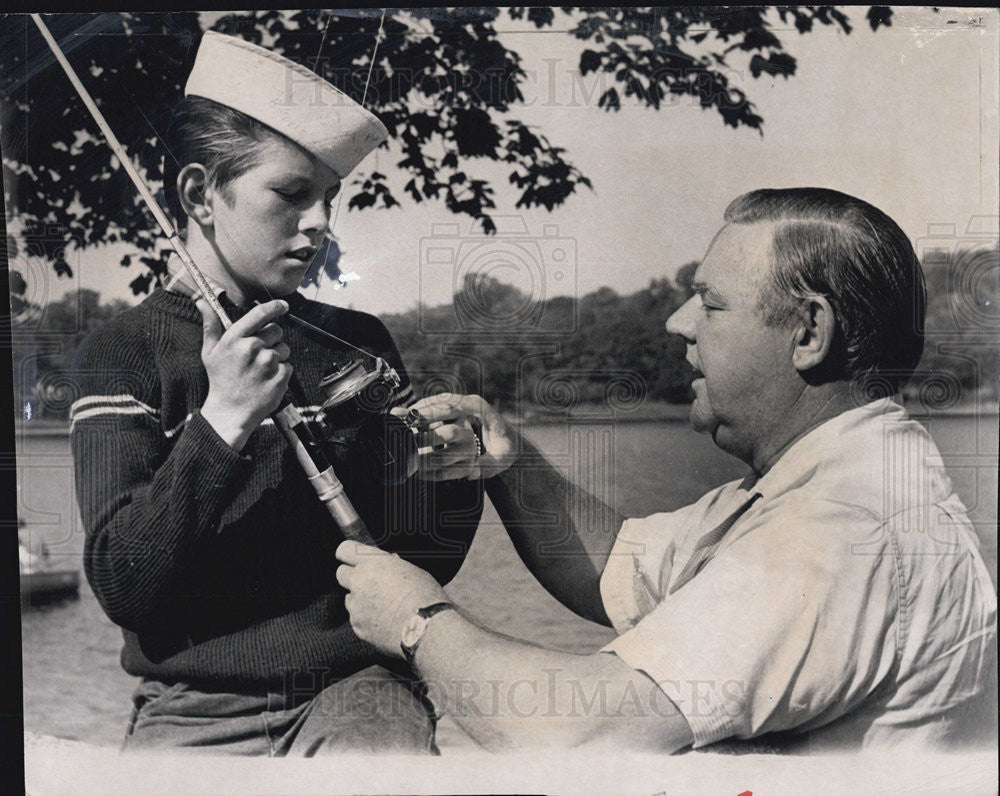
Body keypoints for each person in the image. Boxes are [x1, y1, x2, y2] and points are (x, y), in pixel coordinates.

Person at [337, 187, 997, 753]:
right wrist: (510, 465)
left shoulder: (839, 529)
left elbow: (573, 736)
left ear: (808, 334)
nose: (677, 321)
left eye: (710, 304)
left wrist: (417, 621)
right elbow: (622, 568)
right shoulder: (832, 481)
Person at [69, 31, 483, 755]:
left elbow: (423, 558)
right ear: (200, 194)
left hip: (356, 690)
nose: (321, 224)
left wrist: (453, 479)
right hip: (191, 709)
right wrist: (223, 419)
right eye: (292, 194)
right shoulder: (120, 354)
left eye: (328, 199)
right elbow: (124, 587)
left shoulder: (358, 341)